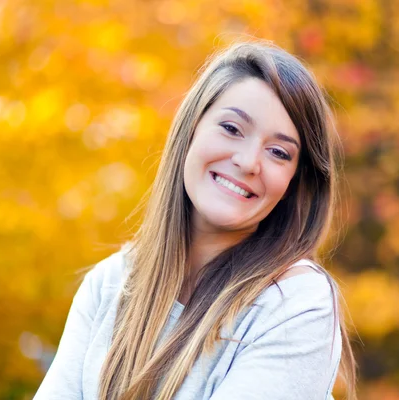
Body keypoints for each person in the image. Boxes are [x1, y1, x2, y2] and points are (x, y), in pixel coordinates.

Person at [34, 39, 357, 400]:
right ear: (190, 131)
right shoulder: (109, 284)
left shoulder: (295, 303)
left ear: (294, 183)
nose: (249, 162)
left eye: (278, 152)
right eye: (232, 129)